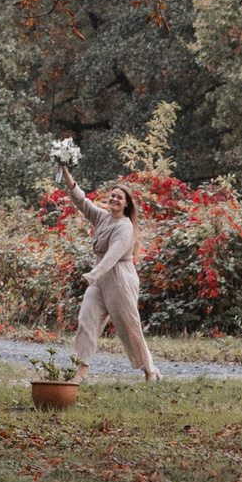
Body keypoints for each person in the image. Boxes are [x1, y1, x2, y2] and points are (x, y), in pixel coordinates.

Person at [56, 159, 161, 380]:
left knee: (129, 327)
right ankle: (82, 371)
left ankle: (150, 370)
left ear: (126, 205)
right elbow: (81, 200)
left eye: (119, 198)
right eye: (112, 196)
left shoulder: (125, 227)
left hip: (120, 280)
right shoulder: (102, 217)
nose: (114, 199)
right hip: (100, 280)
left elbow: (113, 256)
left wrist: (93, 273)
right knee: (87, 319)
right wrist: (65, 172)